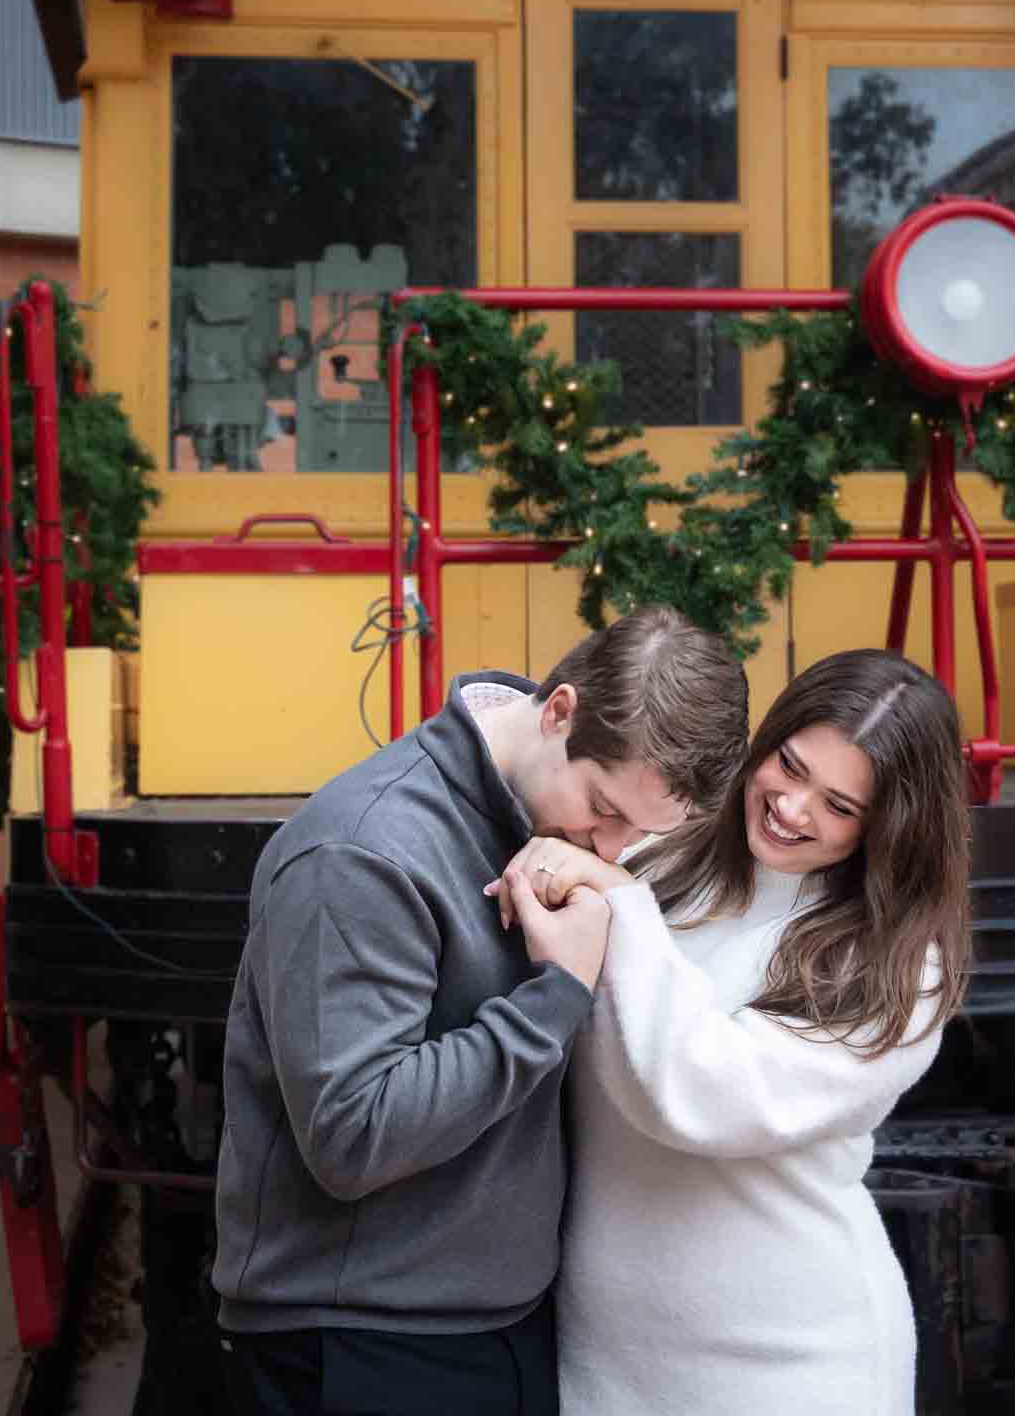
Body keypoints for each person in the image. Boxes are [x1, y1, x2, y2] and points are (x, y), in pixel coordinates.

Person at [213, 603, 748, 1416]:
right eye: (604, 810)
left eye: (638, 834)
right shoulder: (362, 849)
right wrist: (555, 996)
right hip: (360, 1345)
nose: (609, 850)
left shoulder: (565, 828)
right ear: (559, 710)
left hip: (503, 1327)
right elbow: (351, 1136)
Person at [495, 647, 972, 1416]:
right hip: (608, 1358)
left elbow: (701, 1097)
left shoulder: (900, 969)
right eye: (789, 765)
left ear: (891, 826)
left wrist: (622, 907)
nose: (792, 808)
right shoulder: (664, 861)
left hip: (794, 1367)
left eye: (840, 807)